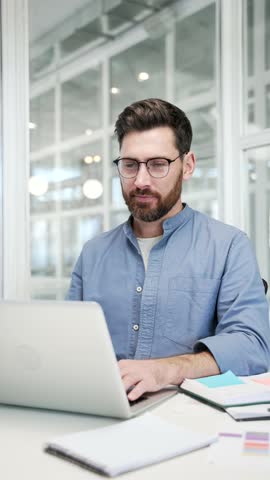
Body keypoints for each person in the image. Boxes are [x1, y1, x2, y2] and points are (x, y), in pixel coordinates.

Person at [67, 98, 270, 401]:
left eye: (158, 165)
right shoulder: (93, 253)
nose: (141, 180)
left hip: (191, 419)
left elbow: (253, 346)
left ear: (187, 166)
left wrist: (165, 370)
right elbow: (67, 343)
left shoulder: (228, 246)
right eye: (130, 165)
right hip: (100, 410)